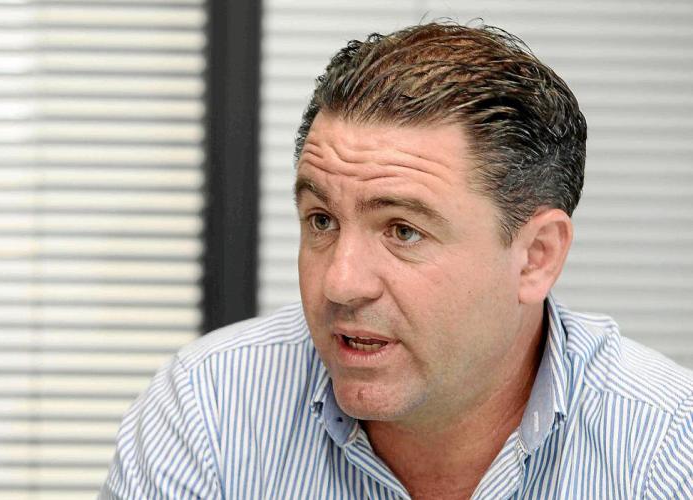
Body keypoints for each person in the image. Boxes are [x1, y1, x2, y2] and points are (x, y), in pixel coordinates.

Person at [100, 21, 693, 499]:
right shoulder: (209, 405)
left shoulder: (666, 447)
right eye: (322, 221)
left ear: (536, 257)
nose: (341, 284)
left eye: (403, 231)